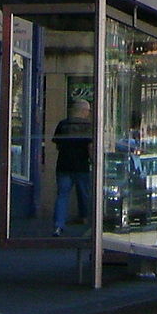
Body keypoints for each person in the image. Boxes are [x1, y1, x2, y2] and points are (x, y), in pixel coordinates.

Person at [51, 97, 94, 237]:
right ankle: (85, 219)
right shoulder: (88, 126)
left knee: (62, 195)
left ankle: (58, 225)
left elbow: (57, 144)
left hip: (63, 165)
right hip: (82, 165)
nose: (88, 113)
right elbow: (90, 147)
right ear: (82, 111)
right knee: (84, 194)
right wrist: (94, 161)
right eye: (88, 111)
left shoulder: (63, 124)